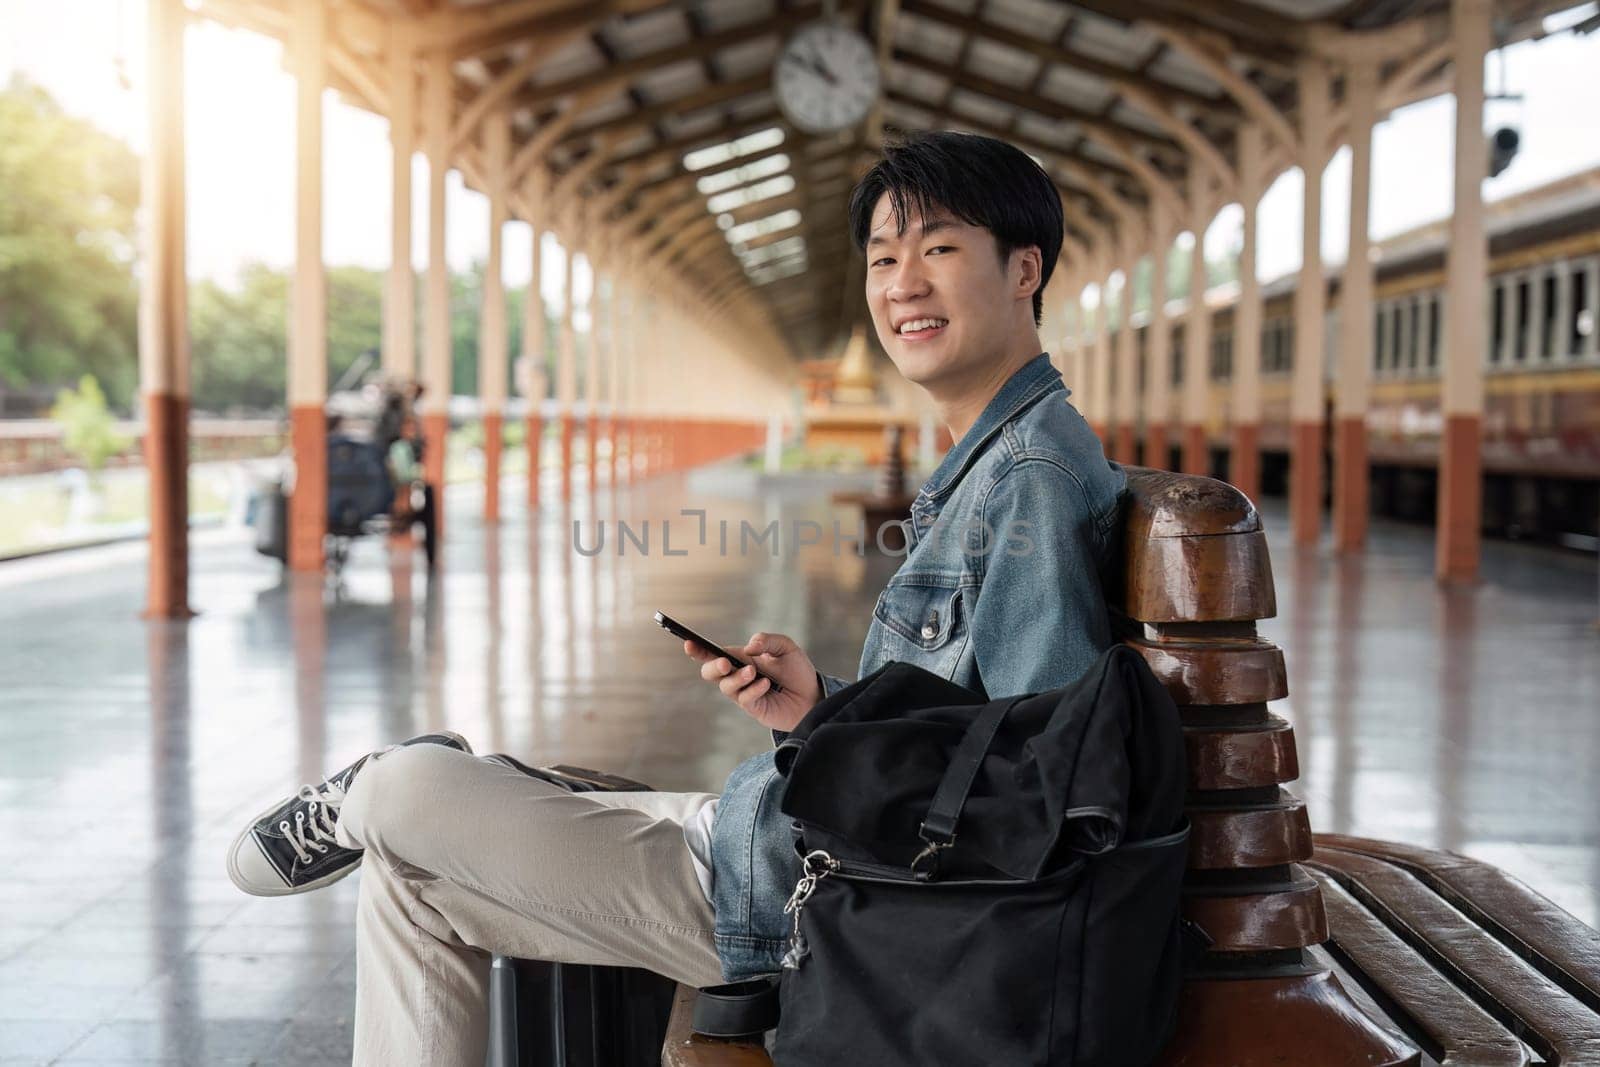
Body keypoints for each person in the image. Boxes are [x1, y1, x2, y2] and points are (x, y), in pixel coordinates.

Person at [224, 131, 1126, 1065]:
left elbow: (1039, 781)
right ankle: (441, 787)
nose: (902, 283)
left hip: (815, 900)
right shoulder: (998, 459)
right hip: (783, 837)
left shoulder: (1029, 474)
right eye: (884, 256)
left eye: (939, 249)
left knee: (405, 798)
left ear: (1026, 269)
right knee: (406, 875)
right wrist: (821, 708)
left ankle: (383, 786)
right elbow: (973, 730)